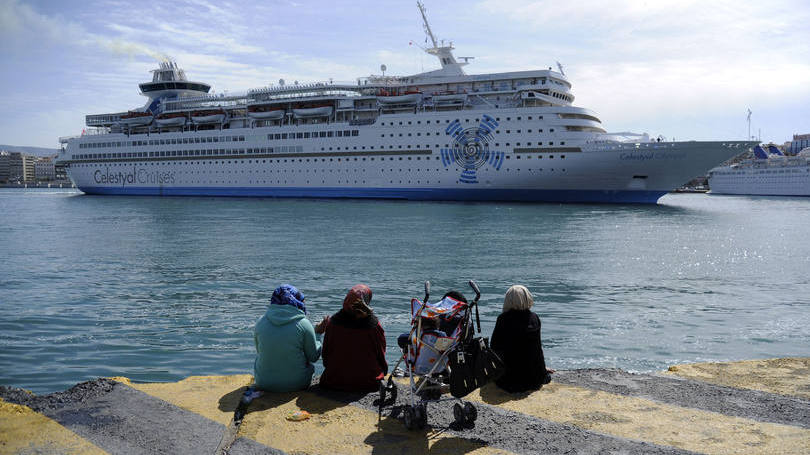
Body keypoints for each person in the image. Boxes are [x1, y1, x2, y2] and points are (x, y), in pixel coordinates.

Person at [317, 284, 388, 393]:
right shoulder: (373, 325)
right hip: (368, 382)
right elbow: (380, 353)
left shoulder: (333, 322)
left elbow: (326, 354)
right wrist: (383, 370)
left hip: (334, 380)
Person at [253, 284, 323, 392]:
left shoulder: (260, 322)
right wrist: (318, 334)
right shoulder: (303, 323)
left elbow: (259, 351)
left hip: (263, 382)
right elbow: (313, 357)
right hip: (297, 383)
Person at [490, 285, 555, 393]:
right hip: (534, 380)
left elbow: (494, 348)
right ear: (527, 298)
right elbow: (537, 349)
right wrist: (542, 370)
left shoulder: (502, 319)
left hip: (508, 381)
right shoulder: (534, 318)